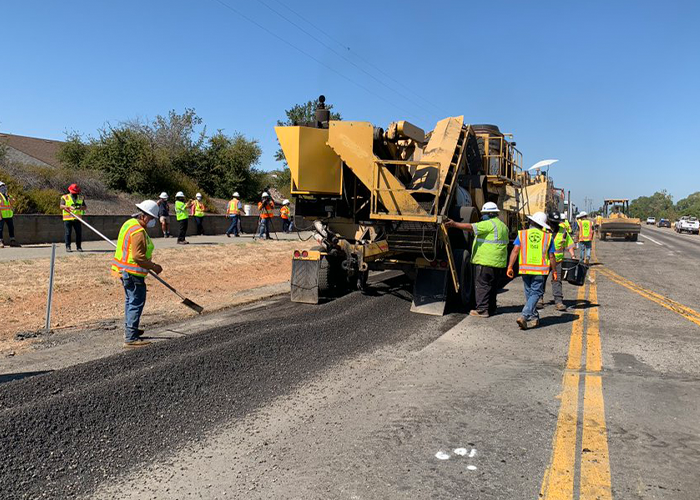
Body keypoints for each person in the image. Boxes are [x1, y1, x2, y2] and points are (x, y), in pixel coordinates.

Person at [111, 200, 163, 348]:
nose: (152, 221)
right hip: (133, 273)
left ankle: (130, 328)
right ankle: (131, 337)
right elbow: (138, 256)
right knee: (136, 302)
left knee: (130, 301)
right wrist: (154, 267)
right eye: (152, 218)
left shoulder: (129, 223)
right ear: (145, 216)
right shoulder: (138, 231)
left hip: (125, 271)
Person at [444, 201, 509, 317]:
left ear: (489, 213)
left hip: (485, 261)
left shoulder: (488, 224)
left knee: (482, 285)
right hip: (498, 263)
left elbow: (471, 227)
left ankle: (482, 310)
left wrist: (454, 224)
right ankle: (492, 308)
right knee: (493, 286)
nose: (481, 216)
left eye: (483, 213)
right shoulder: (503, 226)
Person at [506, 211, 557, 330]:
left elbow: (515, 250)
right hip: (539, 270)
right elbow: (552, 257)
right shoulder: (547, 237)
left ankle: (534, 316)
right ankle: (524, 316)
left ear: (532, 222)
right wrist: (554, 271)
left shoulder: (523, 234)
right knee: (536, 293)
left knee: (529, 294)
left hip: (525, 269)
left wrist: (509, 266)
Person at [539, 212, 576, 311]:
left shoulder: (563, 231)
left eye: (556, 223)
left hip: (558, 261)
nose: (554, 225)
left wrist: (573, 256)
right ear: (548, 221)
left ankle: (558, 301)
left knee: (557, 280)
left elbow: (570, 244)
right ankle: (539, 299)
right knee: (541, 279)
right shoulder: (543, 230)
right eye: (552, 222)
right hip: (545, 260)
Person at [60, 183, 86, 252]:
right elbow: (61, 206)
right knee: (68, 233)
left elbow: (85, 207)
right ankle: (68, 247)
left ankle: (79, 247)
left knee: (78, 233)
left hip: (77, 218)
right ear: (70, 191)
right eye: (74, 192)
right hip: (68, 218)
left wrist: (80, 207)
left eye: (76, 192)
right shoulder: (65, 197)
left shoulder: (81, 198)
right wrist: (68, 207)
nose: (75, 194)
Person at [0, 181, 20, 248]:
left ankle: (12, 241)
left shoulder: (7, 195)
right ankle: (0, 242)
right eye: (1, 187)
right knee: (0, 229)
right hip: (2, 215)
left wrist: (8, 197)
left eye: (4, 187)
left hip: (8, 215)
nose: (3, 188)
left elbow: (13, 201)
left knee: (11, 228)